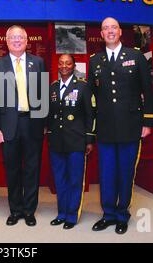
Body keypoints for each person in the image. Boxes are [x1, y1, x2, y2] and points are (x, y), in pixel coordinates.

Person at [88, 17, 153, 234]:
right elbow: (92, 97)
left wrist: (148, 121)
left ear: (120, 32)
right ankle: (108, 214)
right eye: (105, 28)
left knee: (126, 172)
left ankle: (122, 214)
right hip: (106, 127)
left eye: (113, 27)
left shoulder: (135, 56)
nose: (109, 31)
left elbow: (148, 90)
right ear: (101, 34)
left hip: (130, 126)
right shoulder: (95, 60)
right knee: (107, 172)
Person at [0, 25, 46, 227]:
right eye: (13, 37)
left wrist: (44, 124)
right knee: (12, 170)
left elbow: (43, 95)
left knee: (32, 169)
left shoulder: (38, 62)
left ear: (26, 39)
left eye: (20, 37)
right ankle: (15, 210)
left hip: (32, 124)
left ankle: (29, 211)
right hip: (8, 126)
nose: (17, 40)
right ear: (6, 40)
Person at [47, 54, 96, 229]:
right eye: (61, 63)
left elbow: (91, 114)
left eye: (68, 63)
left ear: (74, 66)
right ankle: (62, 212)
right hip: (56, 141)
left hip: (76, 140)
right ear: (58, 66)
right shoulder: (52, 88)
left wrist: (89, 138)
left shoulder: (82, 86)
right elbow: (49, 114)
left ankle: (72, 215)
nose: (64, 66)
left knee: (75, 179)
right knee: (60, 178)